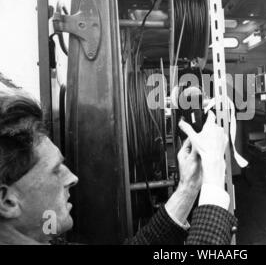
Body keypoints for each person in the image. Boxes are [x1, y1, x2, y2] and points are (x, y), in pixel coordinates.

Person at [0, 90, 237, 245]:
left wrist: (189, 188)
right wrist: (214, 181)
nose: (72, 177)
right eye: (55, 169)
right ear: (7, 200)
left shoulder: (48, 240)